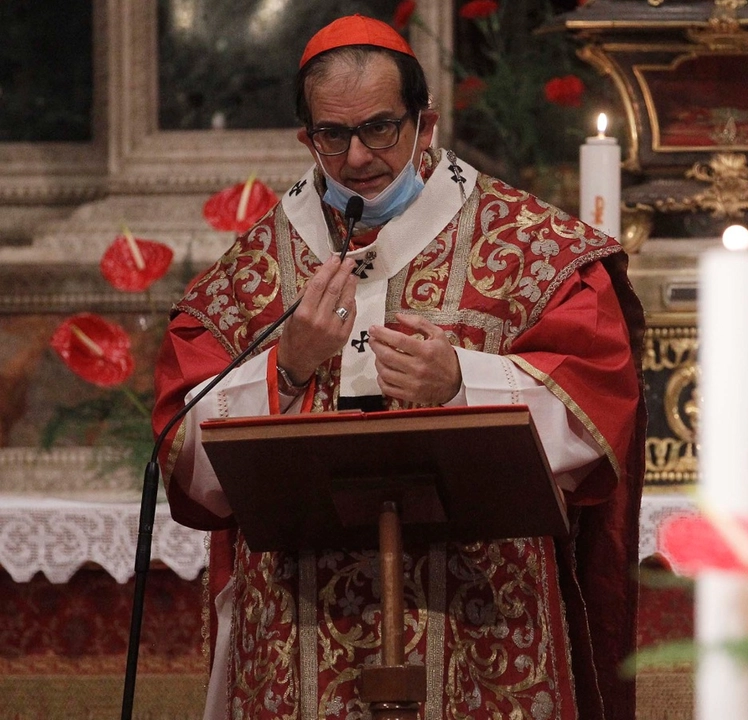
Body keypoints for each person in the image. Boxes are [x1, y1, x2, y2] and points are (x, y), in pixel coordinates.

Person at [153, 15, 645, 720]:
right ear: (306, 138)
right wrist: (284, 372)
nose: (356, 157)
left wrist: (460, 381)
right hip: (298, 628)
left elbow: (597, 412)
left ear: (426, 123)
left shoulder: (532, 246)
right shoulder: (252, 273)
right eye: (333, 135)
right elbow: (182, 453)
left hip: (483, 629)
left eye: (380, 128)